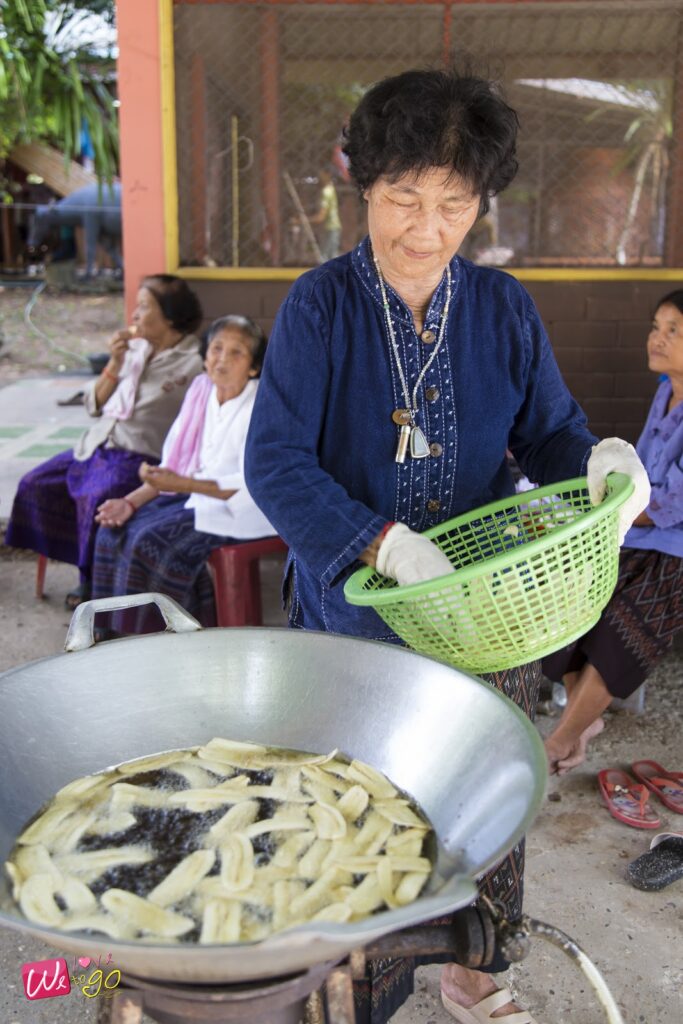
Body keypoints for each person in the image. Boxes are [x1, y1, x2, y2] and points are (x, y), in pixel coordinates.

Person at [244, 67, 649, 1024]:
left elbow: (549, 435)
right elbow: (275, 462)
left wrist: (599, 460)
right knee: (361, 805)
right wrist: (379, 543)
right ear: (364, 187)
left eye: (453, 204)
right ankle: (365, 991)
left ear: (480, 202)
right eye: (403, 199)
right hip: (356, 616)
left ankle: (475, 966)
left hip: (485, 612)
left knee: (487, 786)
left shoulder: (502, 307)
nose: (426, 230)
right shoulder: (319, 306)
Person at [543, 290, 683, 775]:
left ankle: (560, 740)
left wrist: (605, 510)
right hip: (639, 535)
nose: (656, 338)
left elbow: (669, 502)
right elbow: (637, 473)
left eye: (673, 331)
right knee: (573, 599)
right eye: (655, 327)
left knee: (622, 625)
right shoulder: (666, 392)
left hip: (676, 549)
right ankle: (582, 724)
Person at [4, 274, 204, 609]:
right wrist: (114, 361)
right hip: (99, 445)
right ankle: (79, 558)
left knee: (99, 496)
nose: (134, 315)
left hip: (142, 456)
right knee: (35, 483)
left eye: (144, 307)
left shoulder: (195, 361)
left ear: (170, 316)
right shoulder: (134, 350)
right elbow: (95, 405)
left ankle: (92, 580)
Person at [91, 315, 275, 633]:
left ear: (253, 367)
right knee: (112, 533)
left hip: (243, 511)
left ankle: (166, 638)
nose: (222, 359)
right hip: (196, 498)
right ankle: (111, 634)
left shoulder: (261, 406)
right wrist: (129, 502)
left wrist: (183, 484)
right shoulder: (201, 390)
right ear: (204, 356)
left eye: (237, 352)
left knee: (150, 544)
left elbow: (252, 486)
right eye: (216, 348)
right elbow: (175, 465)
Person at [309, 165, 342, 261]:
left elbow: (321, 217)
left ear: (327, 175)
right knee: (330, 255)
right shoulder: (331, 189)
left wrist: (303, 220)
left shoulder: (326, 192)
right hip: (332, 227)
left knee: (326, 257)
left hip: (332, 227)